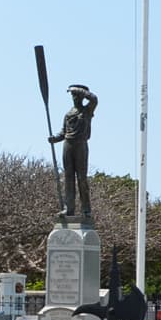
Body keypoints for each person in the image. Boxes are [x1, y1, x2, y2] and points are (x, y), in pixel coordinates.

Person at [49, 84, 98, 219]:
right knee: (68, 177)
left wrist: (77, 89)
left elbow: (94, 99)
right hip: (68, 145)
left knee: (81, 178)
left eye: (77, 95)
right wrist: (55, 138)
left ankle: (86, 209)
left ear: (82, 96)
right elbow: (63, 132)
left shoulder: (87, 110)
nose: (74, 97)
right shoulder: (68, 114)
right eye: (73, 95)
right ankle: (68, 208)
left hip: (81, 145)